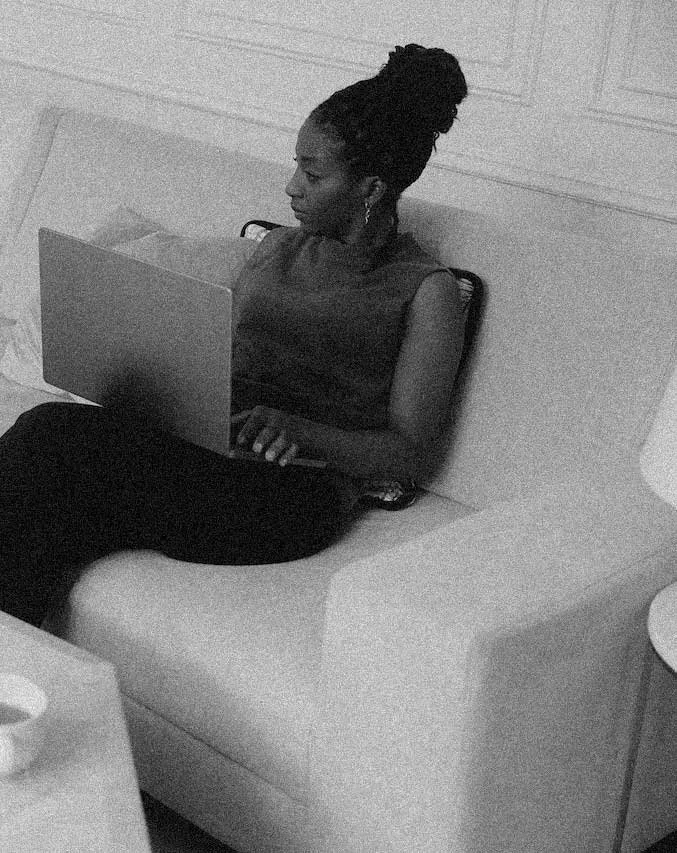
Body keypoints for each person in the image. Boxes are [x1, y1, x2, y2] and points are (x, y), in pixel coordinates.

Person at [0, 43, 468, 627]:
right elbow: (234, 353)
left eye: (313, 173)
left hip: (291, 493)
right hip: (205, 449)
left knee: (50, 439)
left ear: (370, 189)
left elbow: (408, 453)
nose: (291, 186)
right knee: (45, 505)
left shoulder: (427, 290)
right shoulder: (275, 247)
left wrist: (293, 429)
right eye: (296, 164)